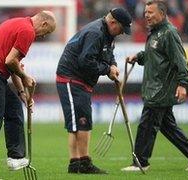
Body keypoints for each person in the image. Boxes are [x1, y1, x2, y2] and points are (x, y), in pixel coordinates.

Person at [0, 11, 56, 180]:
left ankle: (15, 157)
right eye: (46, 33)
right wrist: (25, 77)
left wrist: (22, 93)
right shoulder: (28, 31)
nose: (42, 36)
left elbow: (12, 64)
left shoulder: (18, 23)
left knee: (14, 110)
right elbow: (10, 61)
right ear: (44, 24)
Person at [121, 0, 188, 172]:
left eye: (150, 12)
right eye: (146, 12)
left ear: (162, 14)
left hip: (160, 90)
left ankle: (140, 162)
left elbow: (181, 61)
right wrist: (139, 57)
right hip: (155, 88)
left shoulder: (169, 33)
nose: (146, 15)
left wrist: (182, 84)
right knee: (170, 129)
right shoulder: (156, 33)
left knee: (146, 126)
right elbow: (155, 55)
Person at [56, 7, 132, 174]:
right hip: (71, 78)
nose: (121, 33)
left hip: (80, 81)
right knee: (82, 122)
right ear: (113, 22)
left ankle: (75, 163)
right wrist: (107, 70)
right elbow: (86, 61)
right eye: (121, 29)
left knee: (77, 123)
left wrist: (113, 66)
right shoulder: (95, 33)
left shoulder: (108, 34)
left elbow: (108, 54)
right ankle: (84, 163)